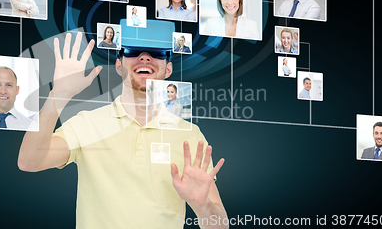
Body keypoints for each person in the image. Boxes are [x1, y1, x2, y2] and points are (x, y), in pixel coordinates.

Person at [17, 20, 228, 228]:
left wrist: (202, 206)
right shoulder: (86, 124)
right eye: (133, 51)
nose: (144, 57)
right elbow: (29, 161)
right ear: (119, 65)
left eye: (157, 53)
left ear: (168, 69)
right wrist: (59, 94)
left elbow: (220, 226)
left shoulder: (189, 134)